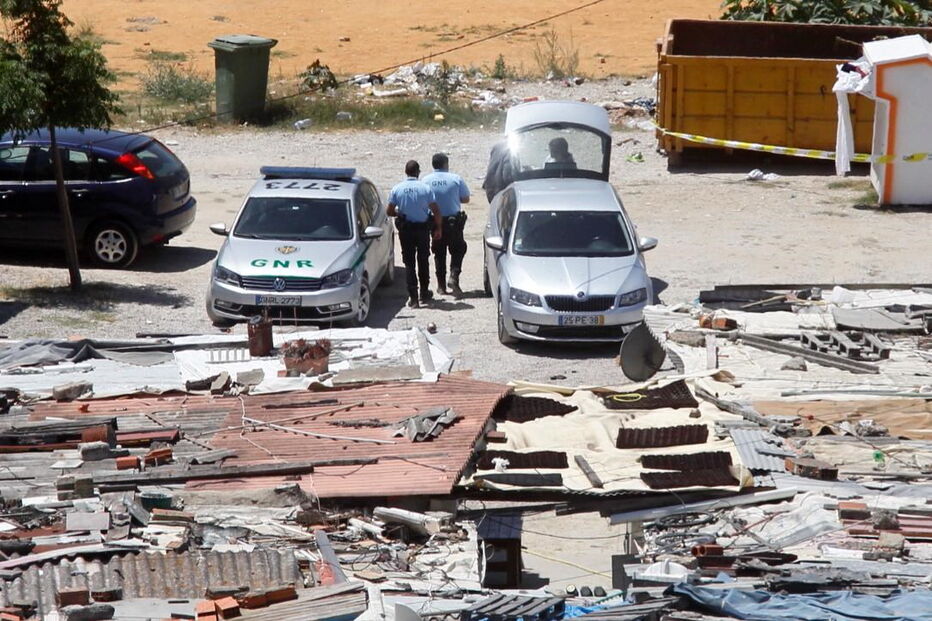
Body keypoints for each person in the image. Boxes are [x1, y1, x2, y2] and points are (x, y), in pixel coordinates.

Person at [387, 160, 442, 308]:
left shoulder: (397, 189)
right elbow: (436, 211)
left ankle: (413, 298)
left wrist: (399, 212)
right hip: (422, 229)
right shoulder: (425, 188)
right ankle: (424, 293)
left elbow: (389, 211)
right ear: (418, 172)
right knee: (423, 260)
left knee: (409, 263)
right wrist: (438, 228)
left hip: (406, 230)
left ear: (406, 172)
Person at [423, 152, 470, 296]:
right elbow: (466, 198)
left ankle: (441, 286)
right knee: (458, 248)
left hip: (435, 223)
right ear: (446, 164)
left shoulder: (425, 180)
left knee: (439, 252)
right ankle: (454, 276)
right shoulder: (455, 178)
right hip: (453, 222)